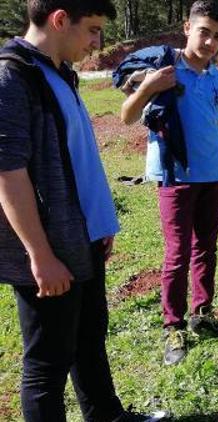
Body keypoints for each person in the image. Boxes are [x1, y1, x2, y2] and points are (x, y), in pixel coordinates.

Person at [0, 1, 158, 420]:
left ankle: (107, 415)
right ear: (59, 19)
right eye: (92, 30)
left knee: (89, 339)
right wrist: (40, 255)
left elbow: (75, 157)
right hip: (49, 253)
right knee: (46, 365)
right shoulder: (12, 77)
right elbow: (7, 174)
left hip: (80, 237)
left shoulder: (58, 72)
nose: (97, 42)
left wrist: (98, 221)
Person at [119, 0, 218, 366]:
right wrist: (148, 87)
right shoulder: (162, 71)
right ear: (187, 28)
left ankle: (203, 312)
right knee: (177, 254)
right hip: (177, 177)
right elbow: (127, 116)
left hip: (214, 177)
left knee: (207, 249)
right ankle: (174, 326)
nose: (210, 42)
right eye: (204, 32)